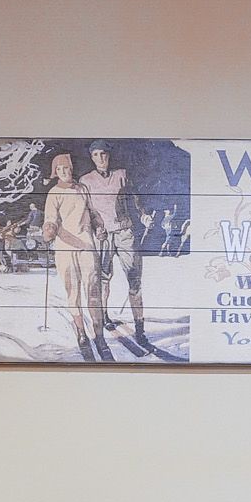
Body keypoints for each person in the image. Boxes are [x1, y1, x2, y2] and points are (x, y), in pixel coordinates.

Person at [80, 142, 150, 357]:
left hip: (125, 232)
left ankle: (140, 330)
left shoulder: (121, 174)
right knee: (102, 280)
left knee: (134, 279)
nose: (101, 158)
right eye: (96, 154)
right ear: (92, 157)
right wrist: (96, 226)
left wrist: (143, 215)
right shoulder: (86, 181)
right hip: (103, 236)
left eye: (104, 154)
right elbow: (87, 209)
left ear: (109, 155)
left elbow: (134, 199)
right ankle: (104, 317)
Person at [38, 149, 104, 359]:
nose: (65, 171)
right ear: (56, 172)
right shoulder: (54, 193)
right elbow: (50, 218)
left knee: (93, 291)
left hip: (86, 245)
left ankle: (99, 335)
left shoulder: (82, 188)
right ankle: (81, 334)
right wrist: (48, 229)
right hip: (66, 248)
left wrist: (99, 226)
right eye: (60, 169)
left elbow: (93, 213)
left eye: (67, 167)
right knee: (73, 294)